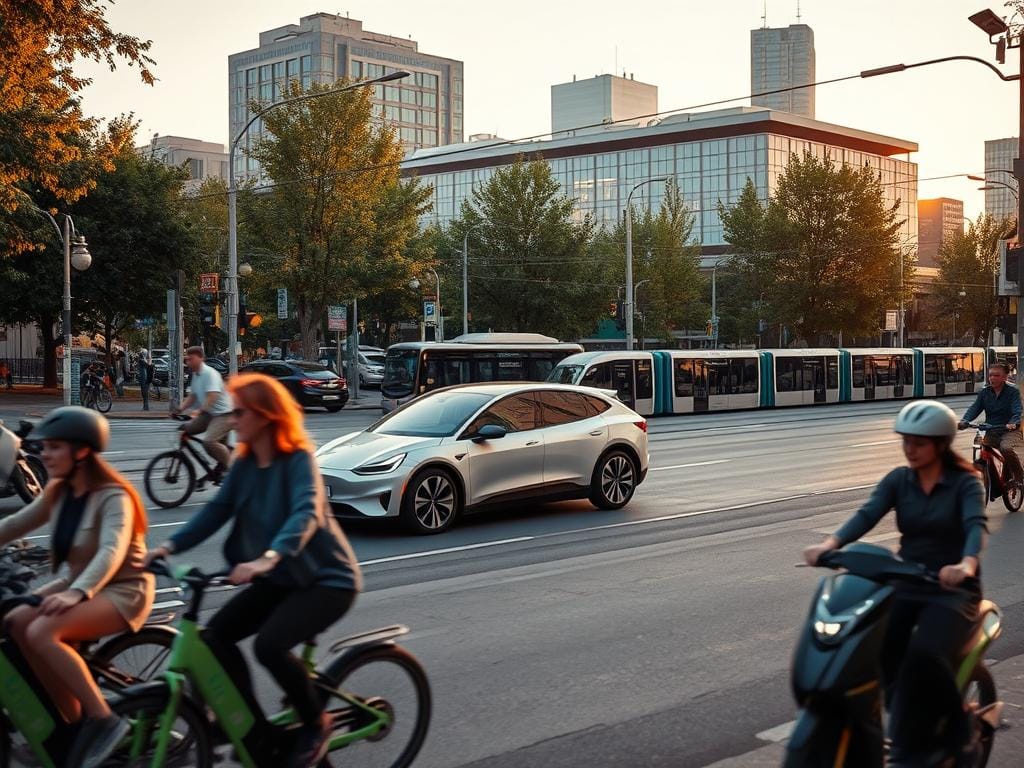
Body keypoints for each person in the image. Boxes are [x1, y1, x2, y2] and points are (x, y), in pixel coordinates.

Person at [145, 373, 361, 767]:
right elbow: (216, 511)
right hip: (279, 579)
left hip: (325, 581)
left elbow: (305, 512)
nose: (232, 419)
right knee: (213, 640)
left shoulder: (297, 459)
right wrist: (166, 547)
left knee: (269, 646)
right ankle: (250, 727)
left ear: (264, 416)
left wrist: (269, 557)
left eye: (240, 412)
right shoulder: (244, 463)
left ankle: (317, 723)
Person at [803, 400, 986, 764]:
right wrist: (830, 544)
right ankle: (906, 715)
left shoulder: (965, 483)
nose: (910, 449)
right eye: (906, 441)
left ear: (940, 444)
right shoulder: (899, 479)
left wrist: (965, 564)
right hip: (907, 580)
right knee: (876, 648)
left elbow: (974, 527)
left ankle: (961, 727)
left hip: (952, 589)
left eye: (919, 443)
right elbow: (867, 514)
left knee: (926, 653)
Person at [0, 406, 154, 767]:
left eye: (54, 447)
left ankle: (104, 719)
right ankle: (67, 728)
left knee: (41, 631)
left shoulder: (113, 495)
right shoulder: (60, 491)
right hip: (77, 584)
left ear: (82, 451)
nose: (44, 454)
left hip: (122, 591)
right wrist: (71, 588)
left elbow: (111, 551)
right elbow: (13, 525)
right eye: (44, 447)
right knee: (15, 620)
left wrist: (77, 593)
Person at [172, 346, 233, 476]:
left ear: (201, 358)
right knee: (186, 429)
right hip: (209, 414)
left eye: (191, 359)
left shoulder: (210, 374)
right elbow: (193, 396)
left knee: (209, 442)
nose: (188, 362)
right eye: (187, 360)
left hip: (224, 414)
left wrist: (199, 411)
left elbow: (212, 395)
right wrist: (180, 409)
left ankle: (232, 470)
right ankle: (219, 463)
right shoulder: (196, 375)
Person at [959, 361, 1023, 484]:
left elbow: (1017, 410)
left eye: (996, 375)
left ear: (1005, 377)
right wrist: (965, 420)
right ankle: (989, 477)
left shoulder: (1013, 391)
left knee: (1006, 448)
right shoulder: (984, 392)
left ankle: (1018, 476)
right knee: (980, 446)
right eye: (990, 375)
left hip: (1010, 430)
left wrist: (1013, 422)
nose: (992, 378)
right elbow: (975, 408)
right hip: (990, 429)